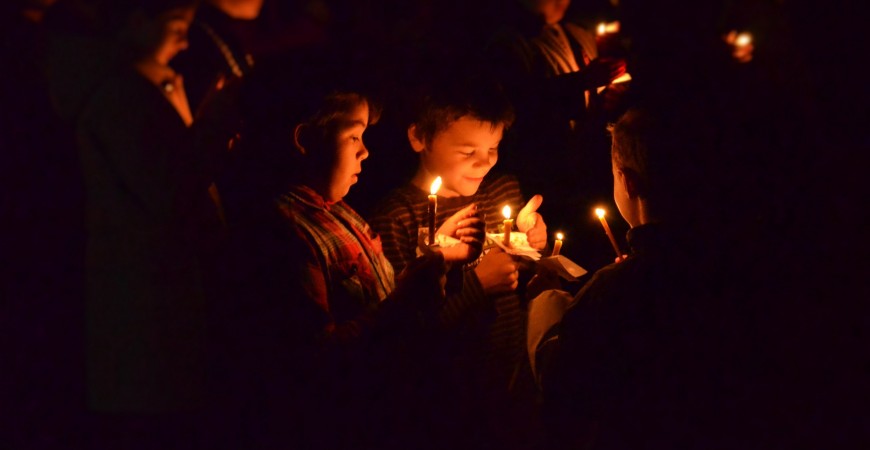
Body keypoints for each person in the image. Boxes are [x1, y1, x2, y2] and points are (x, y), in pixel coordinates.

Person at [213, 64, 487, 449]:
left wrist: (437, 255)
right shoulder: (281, 234)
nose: (365, 151)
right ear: (305, 139)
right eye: (354, 136)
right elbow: (316, 358)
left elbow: (376, 293)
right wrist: (405, 302)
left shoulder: (338, 210)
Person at [532, 104, 742, 450]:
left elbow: (562, 389)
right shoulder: (728, 268)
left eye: (614, 175)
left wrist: (546, 304)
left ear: (627, 182)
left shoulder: (610, 292)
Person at [70, 1, 227, 447]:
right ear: (136, 19)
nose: (184, 39)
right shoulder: (120, 98)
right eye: (176, 25)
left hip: (162, 289)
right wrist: (212, 132)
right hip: (141, 292)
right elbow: (168, 191)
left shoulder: (153, 87)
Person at [368, 76, 549, 449]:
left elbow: (521, 274)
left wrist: (533, 247)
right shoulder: (398, 218)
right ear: (419, 138)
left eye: (494, 148)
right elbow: (409, 328)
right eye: (468, 152)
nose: (484, 164)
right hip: (443, 394)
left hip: (510, 372)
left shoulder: (502, 190)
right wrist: (477, 283)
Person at [485, 0, 628, 269]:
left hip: (587, 169)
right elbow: (520, 102)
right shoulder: (508, 43)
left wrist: (605, 96)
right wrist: (583, 81)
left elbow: (589, 102)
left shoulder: (577, 33)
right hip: (545, 176)